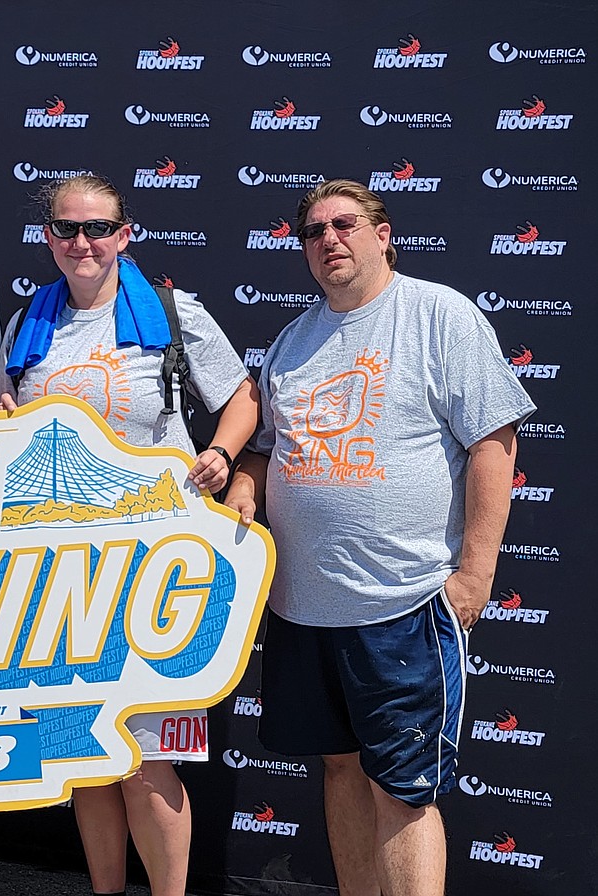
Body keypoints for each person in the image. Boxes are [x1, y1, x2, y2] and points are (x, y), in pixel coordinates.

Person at [224, 179, 536, 896]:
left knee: (403, 787)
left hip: (403, 601)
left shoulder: (438, 315)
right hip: (303, 607)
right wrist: (244, 486)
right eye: (313, 232)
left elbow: (495, 441)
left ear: (383, 232)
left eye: (345, 224)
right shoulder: (293, 342)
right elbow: (267, 447)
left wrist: (475, 574)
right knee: (339, 767)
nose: (329, 240)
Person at [0, 174, 259, 896]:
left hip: (159, 570)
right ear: (48, 236)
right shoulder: (25, 327)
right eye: (67, 229)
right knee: (87, 758)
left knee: (149, 760)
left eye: (98, 228)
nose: (83, 242)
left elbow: (241, 396)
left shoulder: (173, 314)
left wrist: (225, 454)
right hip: (58, 573)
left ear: (124, 234)